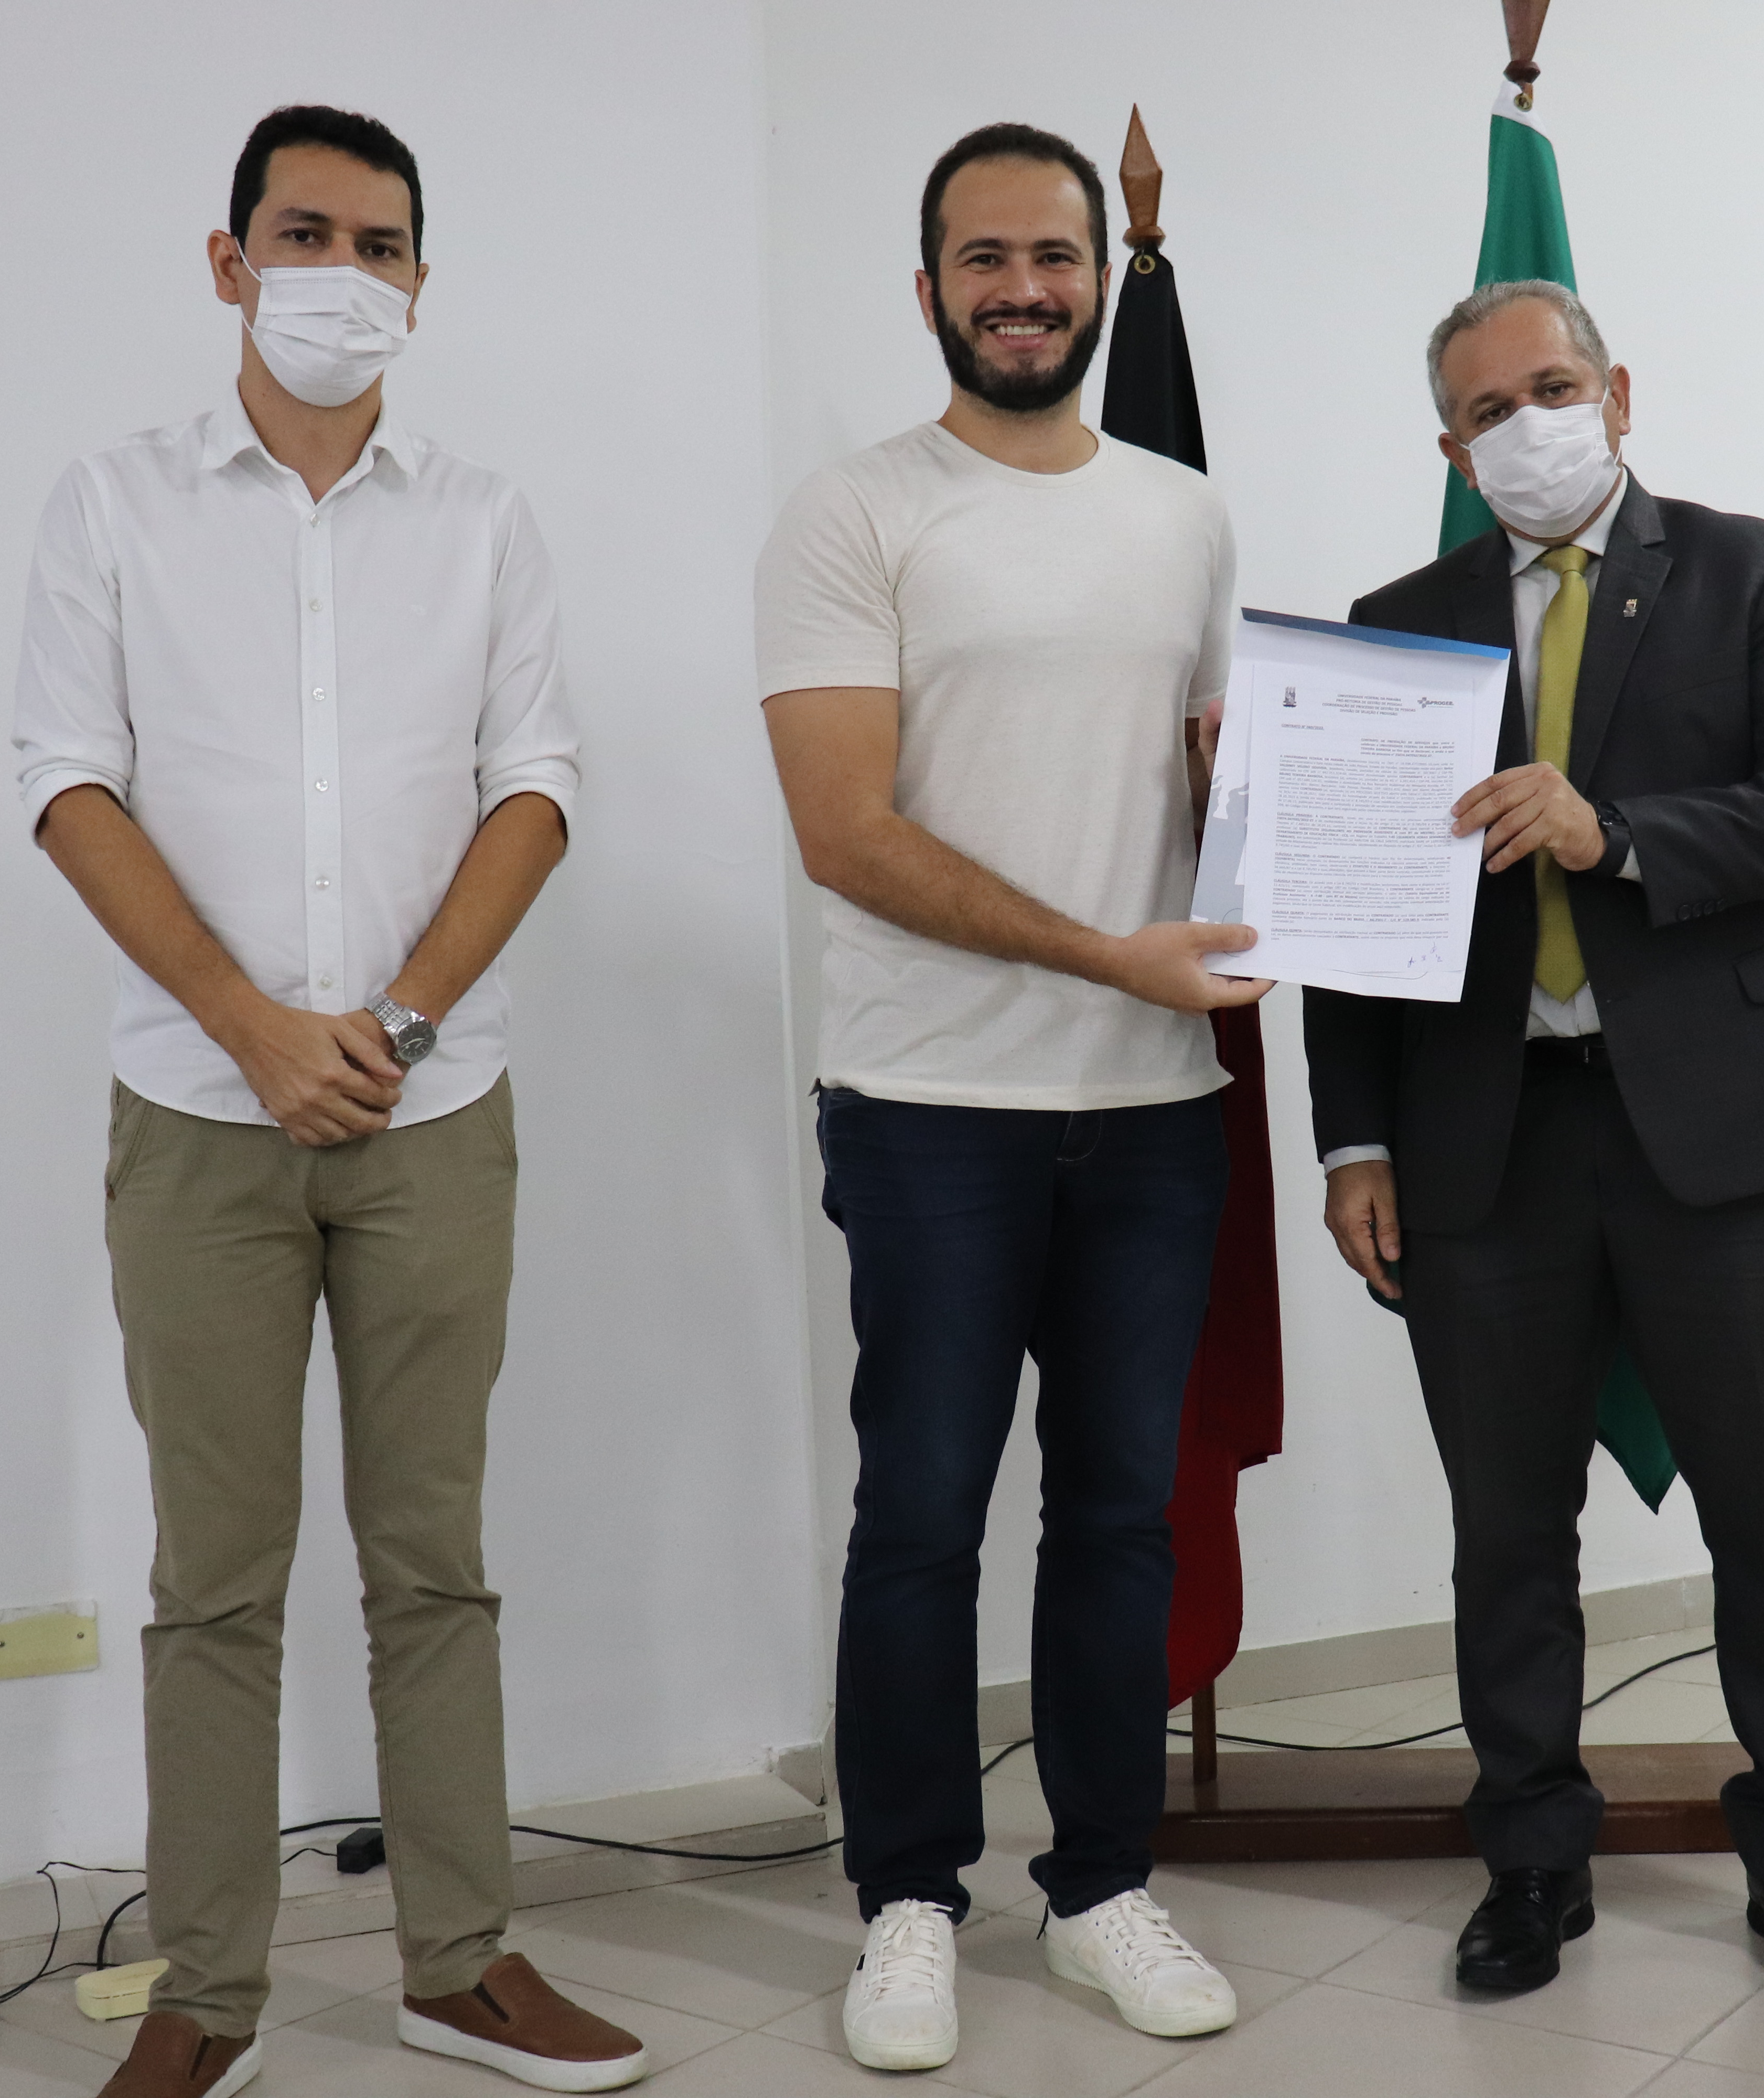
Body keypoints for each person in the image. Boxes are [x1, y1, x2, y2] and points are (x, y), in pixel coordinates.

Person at [13, 106, 645, 2097]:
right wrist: (254, 1028)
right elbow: (66, 785)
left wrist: (392, 1018)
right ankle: (207, 1999)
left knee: (432, 1558)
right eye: (306, 235)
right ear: (229, 263)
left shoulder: (484, 521)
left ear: (421, 287)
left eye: (381, 247)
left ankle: (462, 1964)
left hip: (431, 1117)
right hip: (195, 1121)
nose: (342, 277)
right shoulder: (111, 506)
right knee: (213, 1580)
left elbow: (535, 783)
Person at [1307, 281, 1764, 2008]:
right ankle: (1530, 1862)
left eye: (1553, 388)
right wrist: (1352, 1142)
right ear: (1453, 451)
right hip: (1483, 1144)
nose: (1529, 426)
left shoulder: (1755, 570)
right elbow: (1350, 925)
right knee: (1507, 1530)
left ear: (1618, 393)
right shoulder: (1395, 628)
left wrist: (1611, 831)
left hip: (1725, 1133)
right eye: (1490, 411)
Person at [754, 123, 1263, 2073]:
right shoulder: (854, 514)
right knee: (922, 1517)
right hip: (928, 1105)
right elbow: (845, 831)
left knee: (1122, 1514)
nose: (1025, 289)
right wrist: (1108, 954)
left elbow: (1211, 788)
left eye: (1056, 256)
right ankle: (907, 1903)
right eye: (986, 259)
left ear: (1099, 281)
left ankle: (1101, 1887)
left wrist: (1287, 815)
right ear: (930, 290)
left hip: (1152, 1109)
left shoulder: (1184, 516)